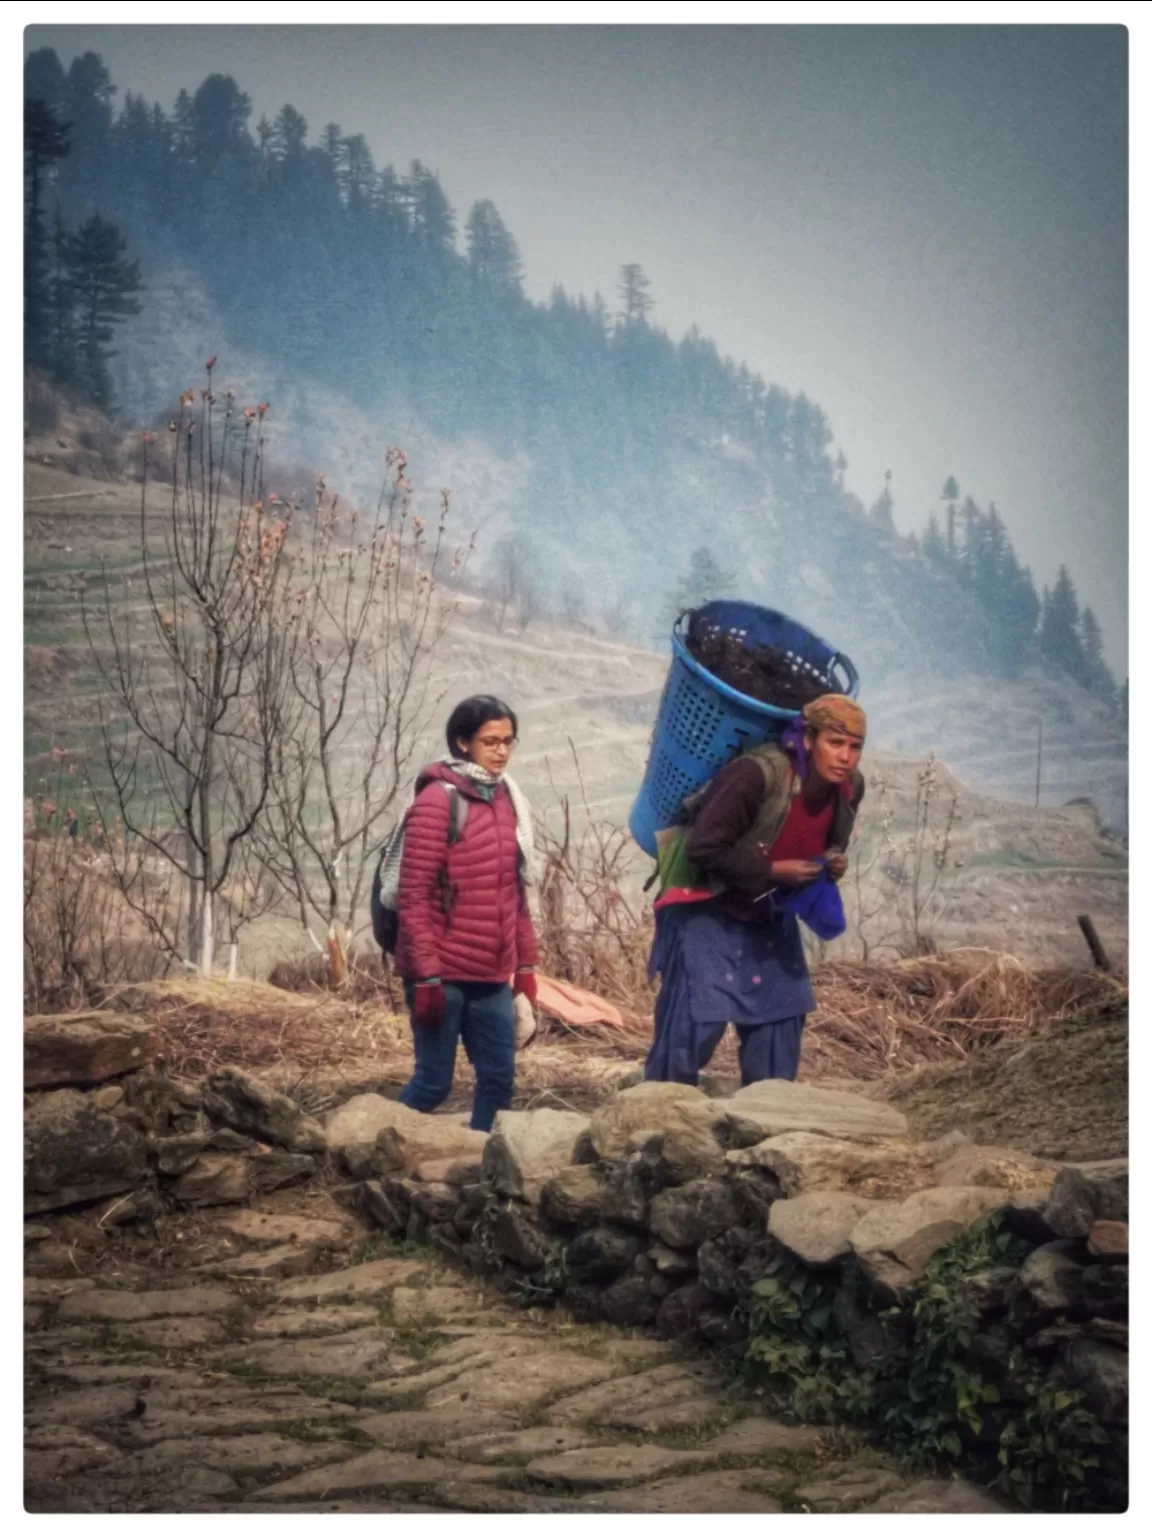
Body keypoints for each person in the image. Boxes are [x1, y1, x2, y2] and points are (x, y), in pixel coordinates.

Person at [644, 693, 867, 1087]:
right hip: (708, 908)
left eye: (855, 747)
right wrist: (772, 869)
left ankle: (763, 1131)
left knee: (780, 1025)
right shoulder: (755, 776)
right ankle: (654, 1126)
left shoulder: (848, 789)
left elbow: (825, 841)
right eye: (835, 743)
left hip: (768, 915)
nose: (845, 757)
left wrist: (832, 861)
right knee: (692, 1026)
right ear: (808, 739)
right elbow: (704, 847)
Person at [393, 695, 539, 1131]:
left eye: (508, 741)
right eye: (489, 741)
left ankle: (478, 1170)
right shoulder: (438, 801)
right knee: (434, 1083)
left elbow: (515, 891)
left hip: (491, 974)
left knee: (498, 1080)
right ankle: (370, 1145)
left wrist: (526, 967)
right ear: (462, 743)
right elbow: (413, 896)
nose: (501, 751)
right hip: (442, 970)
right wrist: (427, 977)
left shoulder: (508, 800)